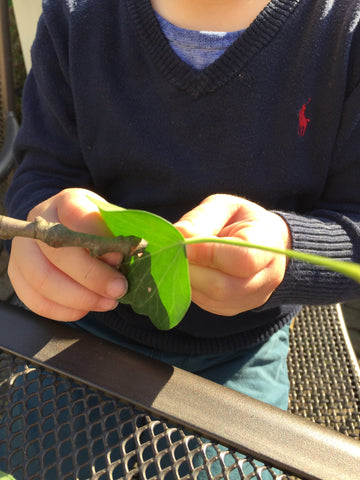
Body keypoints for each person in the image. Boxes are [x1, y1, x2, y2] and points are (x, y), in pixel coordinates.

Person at [4, 0, 360, 475]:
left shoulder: (345, 31)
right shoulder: (75, 16)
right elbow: (41, 171)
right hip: (86, 326)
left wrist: (287, 250)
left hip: (240, 348)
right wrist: (36, 228)